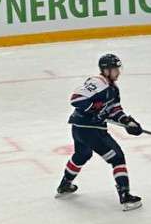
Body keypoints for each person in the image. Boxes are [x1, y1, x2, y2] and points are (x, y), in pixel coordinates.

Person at [56, 54, 144, 211]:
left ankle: (64, 185)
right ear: (106, 70)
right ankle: (125, 197)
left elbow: (115, 110)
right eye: (115, 69)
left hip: (80, 128)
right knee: (117, 158)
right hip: (91, 129)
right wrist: (93, 108)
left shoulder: (113, 89)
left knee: (82, 155)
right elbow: (76, 98)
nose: (118, 72)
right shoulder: (99, 82)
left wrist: (127, 122)